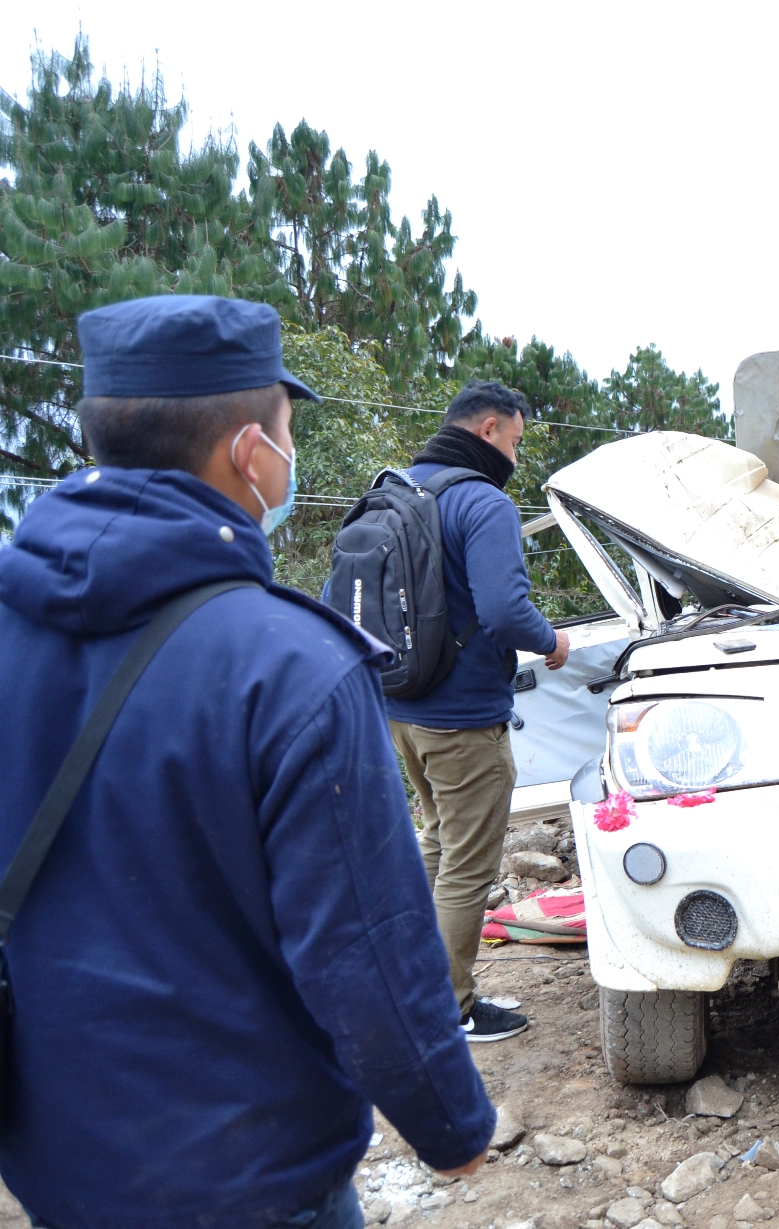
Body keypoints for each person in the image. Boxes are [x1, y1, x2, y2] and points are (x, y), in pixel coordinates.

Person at [0, 295, 494, 1227]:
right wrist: (453, 1126)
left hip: (59, 1166)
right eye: (287, 426)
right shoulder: (291, 664)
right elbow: (365, 950)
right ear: (247, 453)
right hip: (249, 1177)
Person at [374, 381, 570, 1043]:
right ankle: (448, 1006)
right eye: (514, 441)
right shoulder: (481, 502)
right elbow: (505, 609)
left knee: (435, 839)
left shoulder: (398, 489)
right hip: (461, 719)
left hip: (403, 707)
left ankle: (416, 984)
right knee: (467, 864)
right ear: (489, 429)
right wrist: (553, 640)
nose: (515, 456)